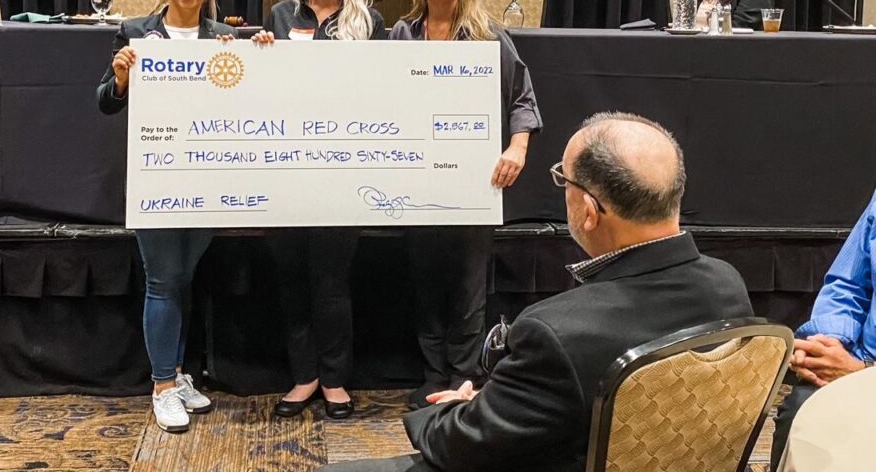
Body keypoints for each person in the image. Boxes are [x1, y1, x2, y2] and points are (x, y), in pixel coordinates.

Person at [320, 112, 753, 472]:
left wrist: (451, 410)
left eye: (564, 180)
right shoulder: (728, 285)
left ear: (589, 212)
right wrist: (502, 400)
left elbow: (461, 448)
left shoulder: (556, 333)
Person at [390, 0, 542, 409]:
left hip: (473, 182)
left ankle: (462, 378)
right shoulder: (402, 34)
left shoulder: (486, 37)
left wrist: (517, 148)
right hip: (416, 180)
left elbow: (522, 98)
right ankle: (432, 374)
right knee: (424, 279)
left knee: (467, 283)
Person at [97, 0, 236, 433]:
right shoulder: (136, 32)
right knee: (162, 279)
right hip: (157, 177)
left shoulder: (224, 38)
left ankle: (176, 375)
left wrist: (260, 55)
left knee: (182, 278)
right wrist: (120, 78)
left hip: (208, 176)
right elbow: (105, 102)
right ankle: (160, 387)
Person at [252, 0, 386, 420]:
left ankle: (334, 379)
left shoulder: (370, 22)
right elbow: (264, 89)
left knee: (331, 280)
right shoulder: (280, 16)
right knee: (290, 277)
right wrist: (261, 55)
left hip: (341, 172)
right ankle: (303, 376)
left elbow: (381, 95)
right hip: (286, 169)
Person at [770, 187, 876, 467]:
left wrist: (863, 373)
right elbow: (849, 284)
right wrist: (828, 344)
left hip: (865, 370)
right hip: (858, 360)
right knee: (800, 411)